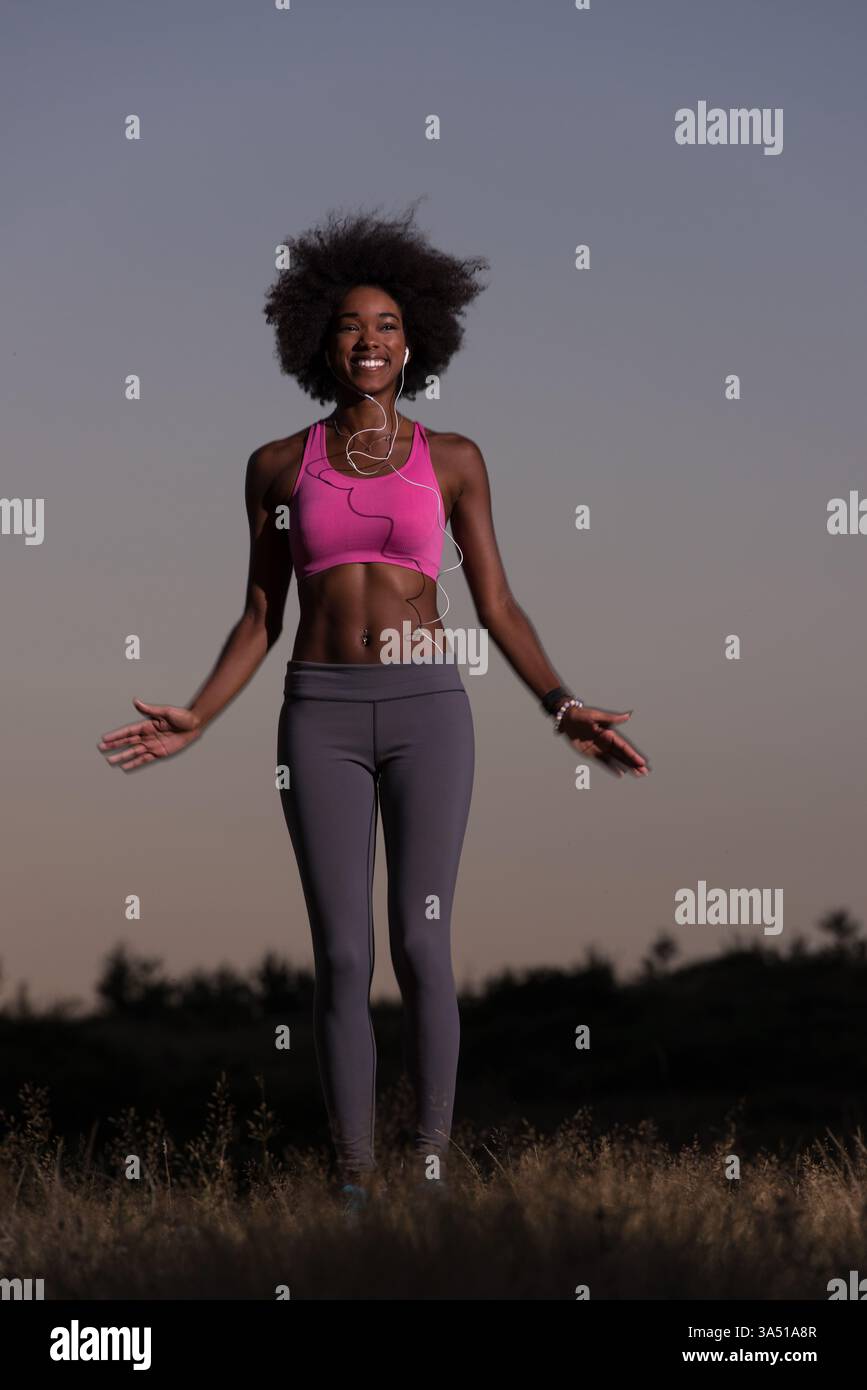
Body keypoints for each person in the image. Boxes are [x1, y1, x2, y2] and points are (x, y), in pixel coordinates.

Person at [98, 203, 650, 1210]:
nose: (371, 339)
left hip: (430, 707)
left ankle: (430, 1165)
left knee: (422, 940)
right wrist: (199, 713)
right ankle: (355, 1176)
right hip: (318, 713)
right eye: (353, 323)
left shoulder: (455, 460)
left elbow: (499, 602)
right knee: (343, 953)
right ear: (321, 338)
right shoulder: (276, 465)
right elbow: (262, 612)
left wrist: (562, 705)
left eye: (389, 324)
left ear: (417, 341)